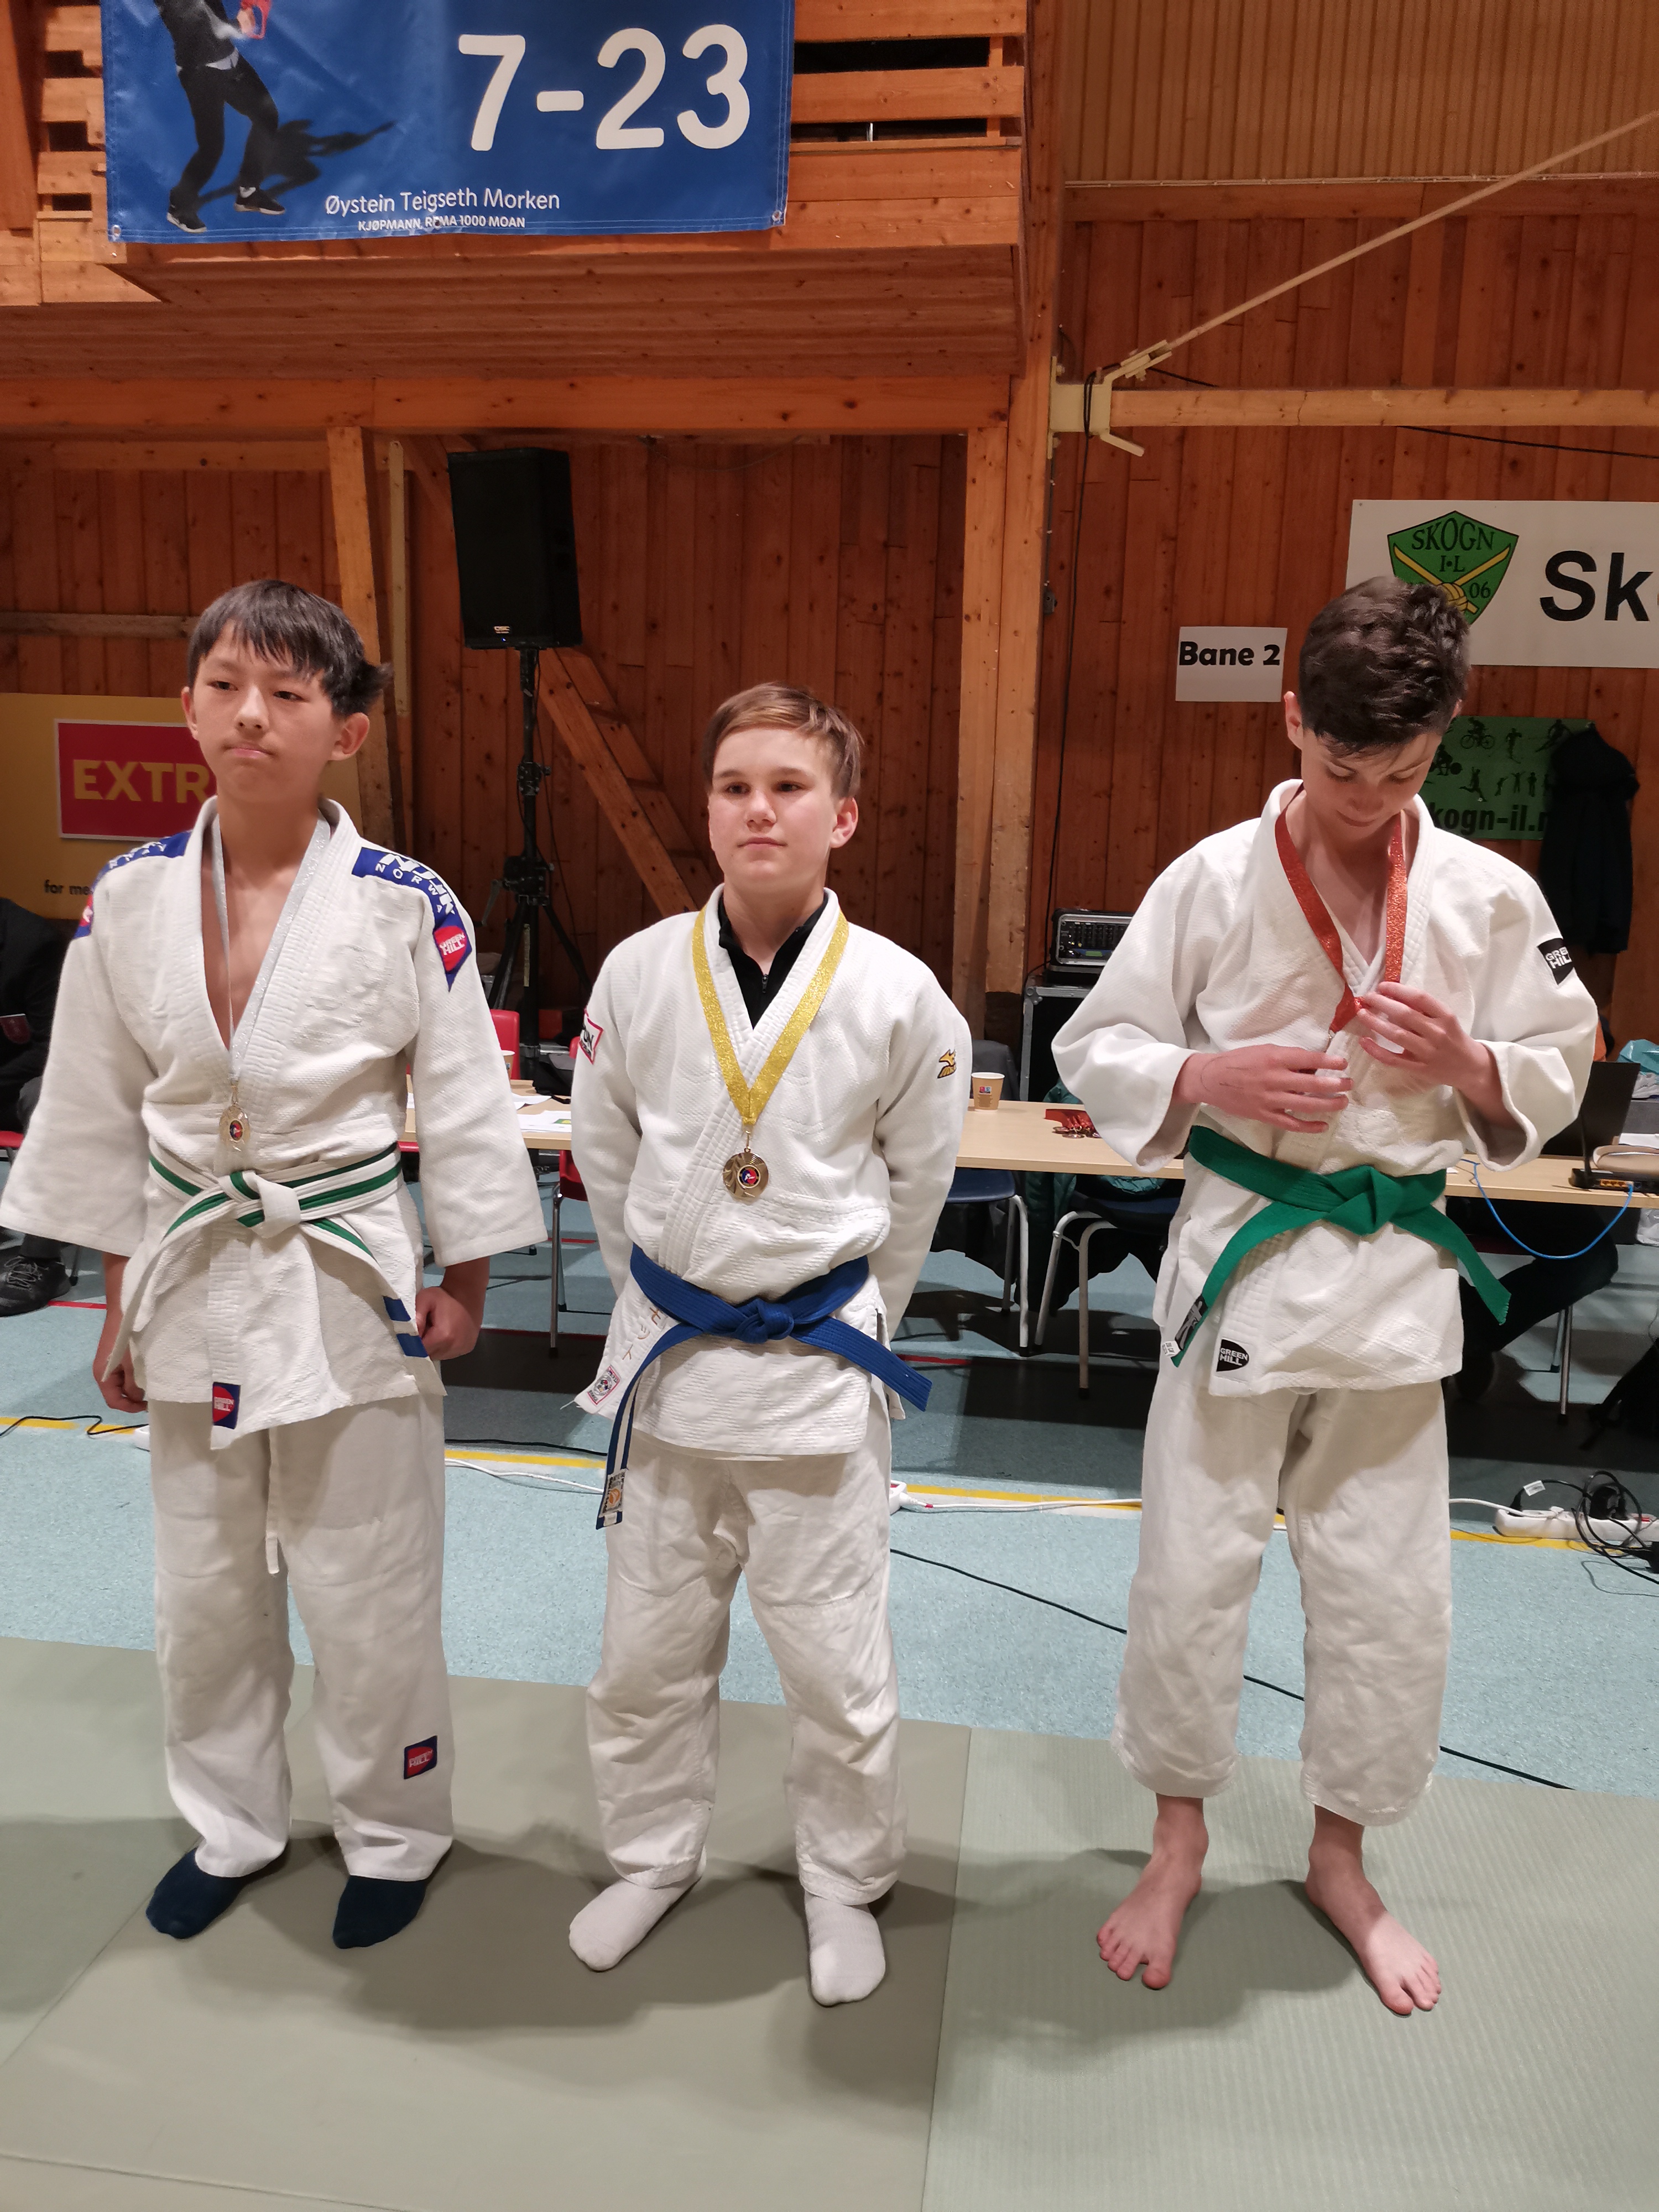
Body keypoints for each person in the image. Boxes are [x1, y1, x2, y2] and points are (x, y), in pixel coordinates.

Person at [1053, 578, 1597, 2015]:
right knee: (1190, 1579)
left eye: (1401, 776)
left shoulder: (1489, 896)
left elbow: (1563, 1055)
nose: (1366, 803)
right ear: (1293, 718)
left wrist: (1470, 1064)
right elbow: (1098, 1043)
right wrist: (1204, 1071)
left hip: (1395, 1284)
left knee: (1389, 1596)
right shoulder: (1208, 880)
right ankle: (1177, 1843)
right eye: (1343, 769)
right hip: (1241, 1261)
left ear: (1443, 741)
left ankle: (1342, 1859)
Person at [0, 580, 546, 1949]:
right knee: (204, 1592)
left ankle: (394, 1832)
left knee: (370, 1586)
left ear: (343, 730)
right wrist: (115, 1302)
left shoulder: (406, 905)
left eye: (289, 693)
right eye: (227, 685)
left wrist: (469, 1283)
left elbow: (465, 1101)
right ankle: (232, 1821)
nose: (253, 714)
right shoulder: (126, 900)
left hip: (347, 1279)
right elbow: (93, 1109)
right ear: (188, 707)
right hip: (188, 1275)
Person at [568, 682, 969, 2005]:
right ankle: (649, 1854)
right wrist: (655, 1299)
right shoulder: (637, 972)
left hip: (815, 1369)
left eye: (789, 786)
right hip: (674, 1357)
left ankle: (844, 1879)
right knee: (644, 1654)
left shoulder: (900, 991)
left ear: (841, 815)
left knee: (835, 1662)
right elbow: (605, 1155)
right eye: (735, 785)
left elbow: (917, 1184)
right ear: (706, 809)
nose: (759, 808)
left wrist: (855, 1317)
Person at [153, 0, 285, 232]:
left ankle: (248, 192)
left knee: (266, 116)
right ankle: (179, 206)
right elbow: (193, 22)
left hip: (230, 60)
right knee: (212, 147)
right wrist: (237, 26)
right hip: (200, 72)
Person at [0, 900, 73, 1316]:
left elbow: (52, 1048)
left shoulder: (33, 943)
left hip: (24, 1082)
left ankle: (42, 1259)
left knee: (45, 1097)